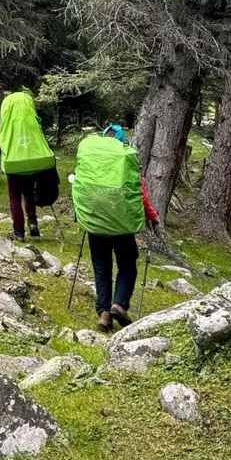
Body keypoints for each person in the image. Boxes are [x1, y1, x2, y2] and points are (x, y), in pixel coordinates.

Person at [71, 122, 157, 331]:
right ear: (121, 142)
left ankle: (104, 314)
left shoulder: (93, 161)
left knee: (101, 267)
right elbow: (140, 194)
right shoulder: (125, 160)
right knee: (127, 264)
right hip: (122, 226)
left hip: (96, 224)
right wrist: (152, 217)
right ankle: (118, 304)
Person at [0, 90, 61, 241]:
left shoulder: (5, 124)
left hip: (13, 166)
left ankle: (18, 232)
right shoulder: (33, 121)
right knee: (28, 193)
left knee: (15, 197)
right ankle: (33, 223)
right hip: (32, 164)